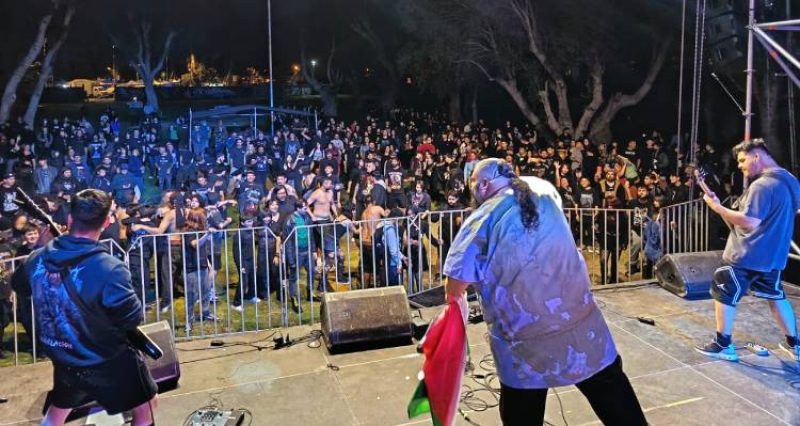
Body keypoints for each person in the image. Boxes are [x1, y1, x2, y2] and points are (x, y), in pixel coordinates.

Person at [444, 158, 646, 425]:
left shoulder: (481, 219)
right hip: (580, 323)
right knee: (612, 394)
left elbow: (454, 288)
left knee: (523, 410)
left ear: (482, 186)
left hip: (523, 339)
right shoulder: (543, 190)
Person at [11, 189, 158, 426]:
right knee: (146, 407)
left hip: (62, 354)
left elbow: (20, 285)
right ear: (107, 222)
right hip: (104, 358)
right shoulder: (109, 268)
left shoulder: (38, 257)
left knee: (57, 411)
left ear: (70, 219)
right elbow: (131, 318)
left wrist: (45, 248)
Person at [695, 138, 800, 361]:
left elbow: (749, 222)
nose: (740, 165)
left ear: (756, 156)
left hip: (746, 254)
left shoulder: (762, 186)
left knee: (724, 291)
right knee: (776, 296)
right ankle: (795, 344)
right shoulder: (790, 180)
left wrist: (717, 207)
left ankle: (723, 345)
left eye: (743, 160)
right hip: (773, 256)